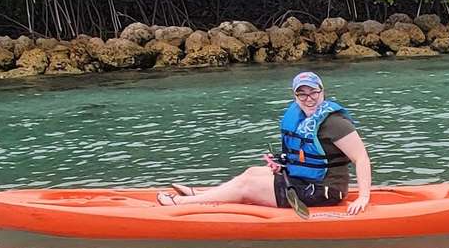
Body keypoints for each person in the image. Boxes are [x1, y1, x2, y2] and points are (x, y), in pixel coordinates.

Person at [158, 71, 372, 215]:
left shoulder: (335, 123)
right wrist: (283, 165)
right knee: (252, 172)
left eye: (313, 92)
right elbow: (305, 157)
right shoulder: (299, 118)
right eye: (302, 94)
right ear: (295, 96)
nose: (309, 98)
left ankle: (182, 205)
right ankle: (202, 195)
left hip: (324, 191)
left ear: (322, 92)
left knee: (248, 186)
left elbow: (361, 158)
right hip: (305, 181)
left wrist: (363, 197)